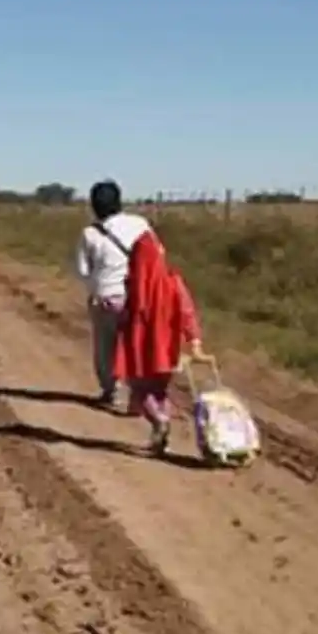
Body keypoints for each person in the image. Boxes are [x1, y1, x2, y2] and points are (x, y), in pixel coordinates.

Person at [114, 228, 208, 456]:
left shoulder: (134, 286)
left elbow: (124, 314)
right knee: (159, 391)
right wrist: (194, 340)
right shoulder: (173, 282)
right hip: (167, 349)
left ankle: (158, 421)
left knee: (139, 389)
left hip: (139, 347)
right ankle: (161, 441)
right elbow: (187, 312)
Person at [75, 180, 152, 408]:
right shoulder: (140, 224)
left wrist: (96, 285)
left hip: (106, 297)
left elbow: (82, 271)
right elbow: (156, 253)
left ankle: (112, 391)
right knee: (135, 346)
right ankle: (140, 396)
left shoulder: (89, 233)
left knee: (105, 348)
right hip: (138, 297)